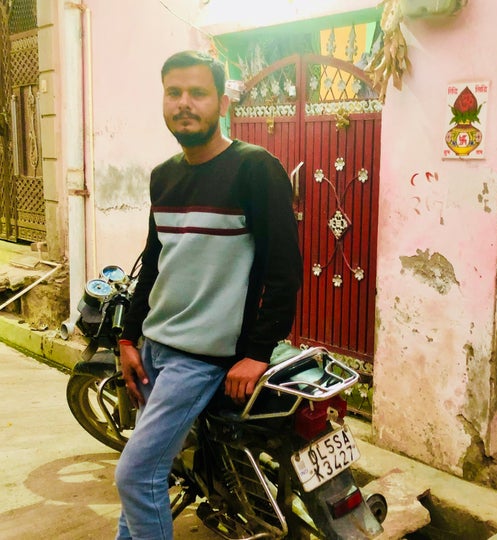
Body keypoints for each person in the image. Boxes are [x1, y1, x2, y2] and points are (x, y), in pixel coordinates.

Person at [113, 50, 302, 539]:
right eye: (173, 92)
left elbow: (285, 270)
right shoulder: (164, 175)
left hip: (201, 359)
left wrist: (257, 353)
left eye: (197, 93)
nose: (184, 103)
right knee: (146, 474)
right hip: (155, 350)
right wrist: (129, 338)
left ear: (220, 101)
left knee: (136, 474)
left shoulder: (254, 169)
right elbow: (155, 262)